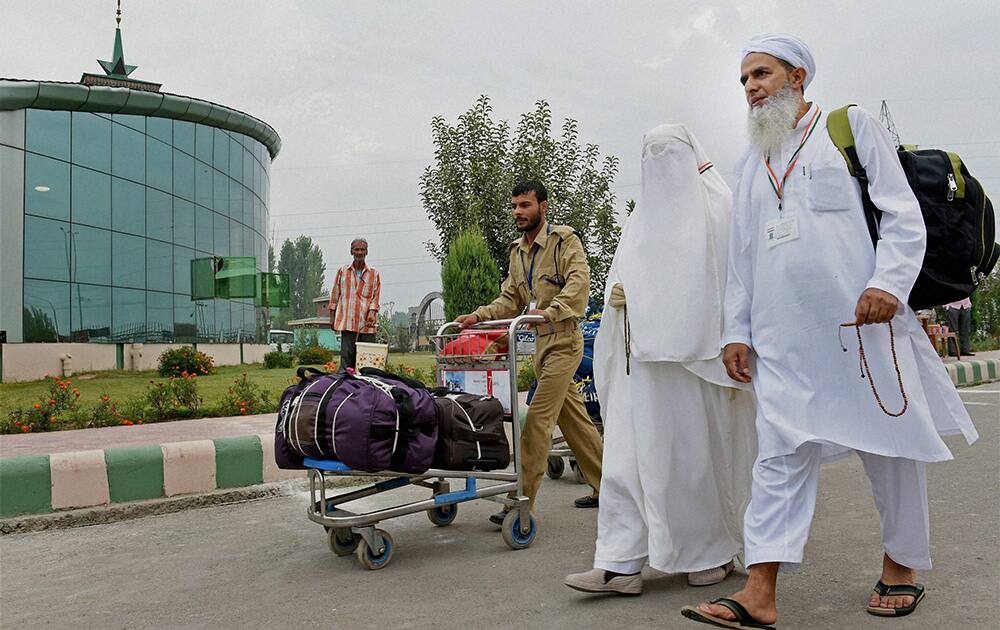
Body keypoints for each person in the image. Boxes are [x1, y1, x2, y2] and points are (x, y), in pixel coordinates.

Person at [682, 34, 978, 629]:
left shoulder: (849, 128)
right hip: (783, 340)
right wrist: (736, 331)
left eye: (760, 74)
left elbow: (901, 212)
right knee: (779, 456)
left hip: (862, 328)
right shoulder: (750, 162)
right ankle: (758, 590)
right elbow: (742, 261)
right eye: (743, 80)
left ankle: (901, 567)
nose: (750, 88)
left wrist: (889, 284)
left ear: (797, 77)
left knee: (890, 449)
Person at [564, 125, 757, 596]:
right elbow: (626, 276)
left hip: (698, 366)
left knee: (692, 462)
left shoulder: (720, 207)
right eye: (649, 155)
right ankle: (618, 563)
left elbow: (733, 285)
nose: (659, 163)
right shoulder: (641, 218)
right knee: (626, 462)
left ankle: (709, 555)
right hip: (640, 367)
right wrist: (621, 303)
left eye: (668, 153)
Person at [456, 180, 604, 520]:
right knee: (577, 423)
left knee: (537, 421)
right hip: (540, 345)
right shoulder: (517, 251)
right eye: (514, 206)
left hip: (564, 340)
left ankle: (520, 502)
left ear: (543, 206)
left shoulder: (564, 241)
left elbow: (579, 284)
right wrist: (479, 315)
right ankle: (609, 489)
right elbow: (511, 298)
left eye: (525, 205)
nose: (518, 212)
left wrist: (549, 312)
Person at [328, 238, 381, 370]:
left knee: (367, 363)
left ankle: (367, 388)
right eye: (356, 249)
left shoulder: (374, 274)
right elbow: (335, 295)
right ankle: (345, 388)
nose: (359, 252)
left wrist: (372, 312)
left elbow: (376, 297)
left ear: (367, 252)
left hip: (367, 324)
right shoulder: (343, 271)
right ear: (351, 251)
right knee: (347, 362)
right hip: (348, 323)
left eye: (362, 249)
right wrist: (332, 317)